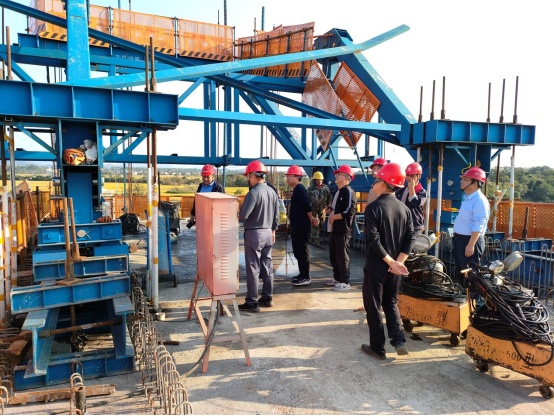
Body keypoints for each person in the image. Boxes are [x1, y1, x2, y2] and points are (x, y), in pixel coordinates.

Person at [362, 162, 415, 360]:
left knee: (374, 305)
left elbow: (373, 240)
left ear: (383, 183)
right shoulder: (404, 209)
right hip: (395, 268)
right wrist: (398, 262)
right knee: (391, 301)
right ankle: (398, 340)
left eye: (376, 180)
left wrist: (390, 262)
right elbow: (411, 238)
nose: (374, 183)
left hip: (378, 265)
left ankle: (377, 347)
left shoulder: (373, 208)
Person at [238, 160, 280, 312]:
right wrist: (273, 230)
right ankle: (268, 297)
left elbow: (243, 216)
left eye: (248, 176)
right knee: (267, 266)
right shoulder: (272, 192)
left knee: (253, 268)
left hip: (254, 234)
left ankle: (252, 302)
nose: (247, 179)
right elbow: (277, 215)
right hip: (268, 233)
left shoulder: (253, 193)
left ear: (253, 175)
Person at [452, 167, 490, 285]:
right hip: (460, 240)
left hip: (469, 241)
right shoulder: (468, 198)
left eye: (465, 179)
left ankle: (473, 295)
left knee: (471, 274)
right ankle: (465, 294)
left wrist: (471, 244)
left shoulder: (479, 201)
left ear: (474, 183)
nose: (461, 181)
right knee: (462, 272)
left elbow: (479, 223)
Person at [285, 165, 319, 286]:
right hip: (297, 226)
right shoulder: (296, 190)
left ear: (296, 177)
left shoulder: (300, 189)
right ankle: (302, 274)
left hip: (301, 226)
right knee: (298, 251)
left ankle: (305, 276)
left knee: (302, 250)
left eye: (289, 176)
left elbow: (307, 206)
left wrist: (311, 218)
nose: (287, 178)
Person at [325, 165, 357, 291]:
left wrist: (334, 217)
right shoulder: (338, 192)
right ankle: (337, 278)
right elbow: (337, 207)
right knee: (334, 255)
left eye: (339, 174)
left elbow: (349, 210)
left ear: (346, 177)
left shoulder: (348, 191)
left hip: (343, 230)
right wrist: (330, 210)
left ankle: (344, 281)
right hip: (334, 229)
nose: (336, 176)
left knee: (342, 256)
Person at [395, 162, 427, 234]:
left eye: (412, 175)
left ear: (419, 176)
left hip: (414, 226)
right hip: (401, 224)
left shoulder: (422, 192)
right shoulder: (401, 190)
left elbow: (414, 202)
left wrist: (412, 188)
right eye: (407, 175)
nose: (409, 178)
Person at [308, 171, 331, 245]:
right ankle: (316, 239)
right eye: (318, 180)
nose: (319, 181)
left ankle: (314, 236)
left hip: (322, 209)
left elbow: (329, 196)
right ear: (315, 180)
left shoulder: (325, 188)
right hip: (313, 209)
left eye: (320, 180)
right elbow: (307, 199)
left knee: (321, 223)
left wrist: (329, 205)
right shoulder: (310, 189)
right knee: (315, 224)